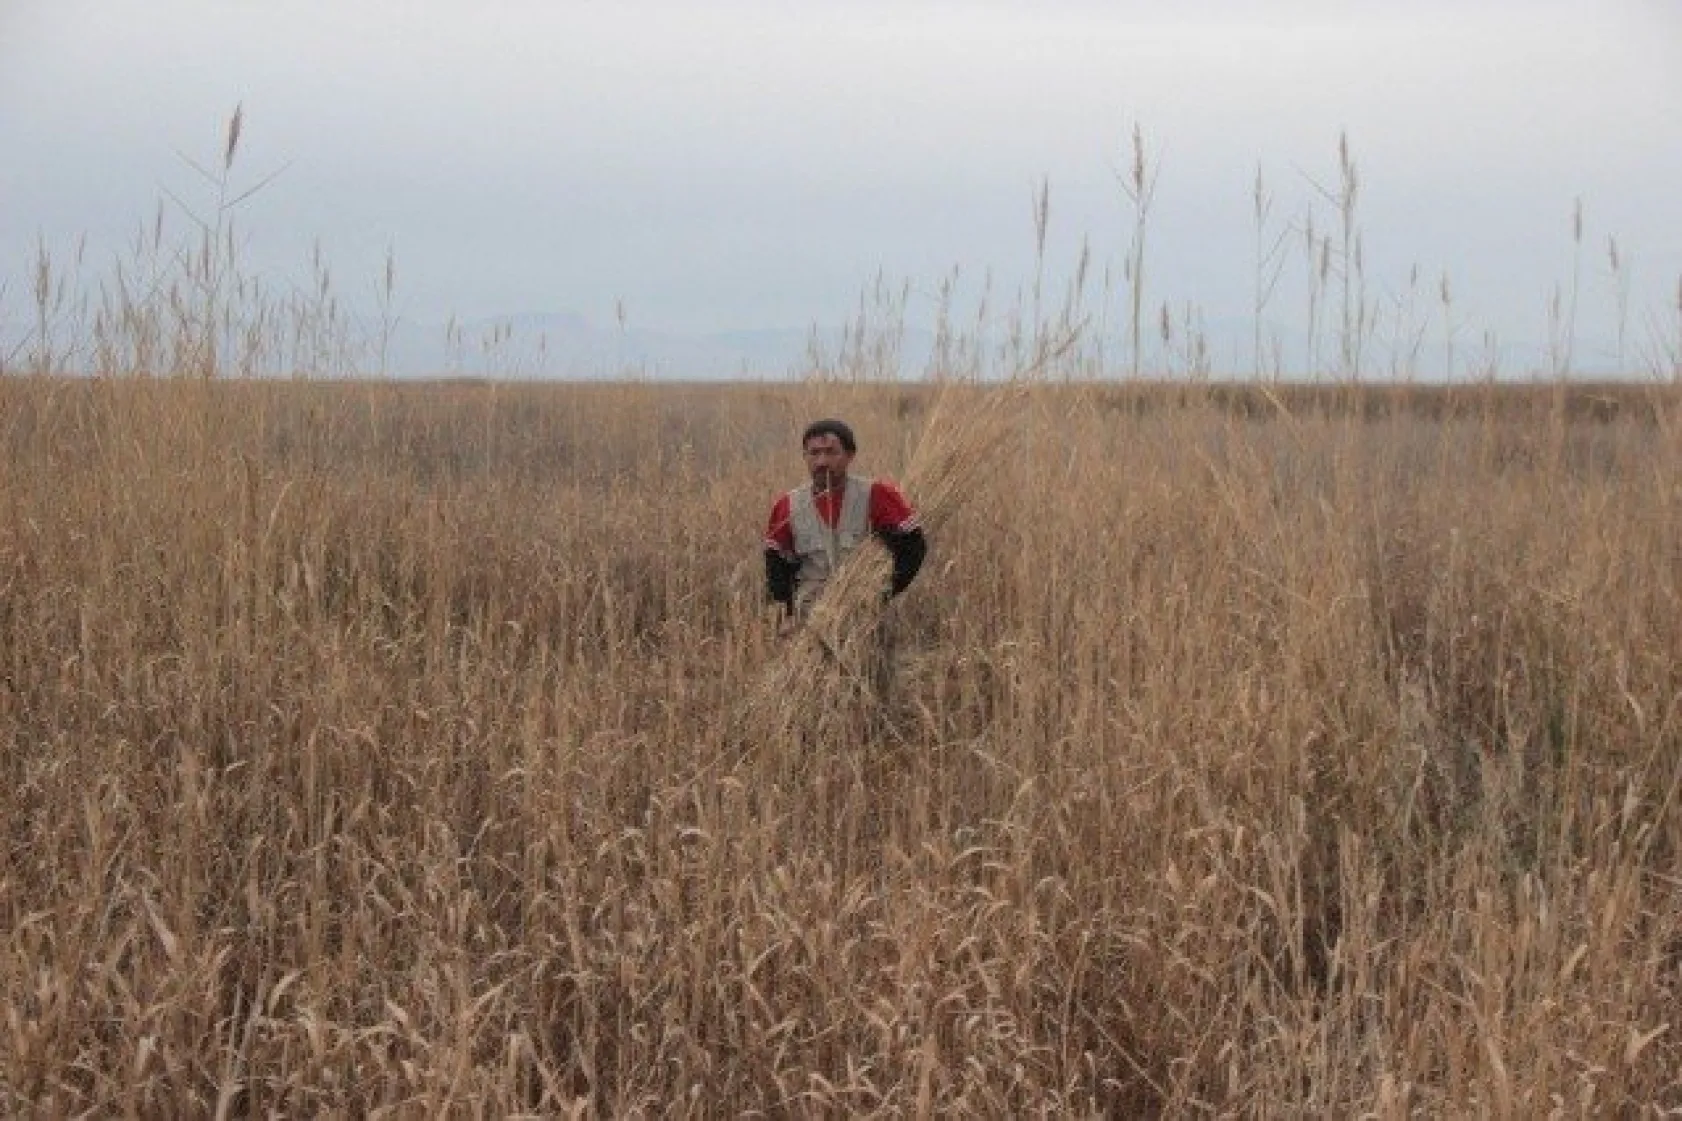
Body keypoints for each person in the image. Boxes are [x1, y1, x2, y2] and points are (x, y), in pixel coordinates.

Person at [763, 418, 927, 621]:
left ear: (850, 455)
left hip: (866, 620)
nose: (822, 461)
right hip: (809, 620)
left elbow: (912, 549)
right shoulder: (788, 505)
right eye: (814, 453)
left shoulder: (877, 495)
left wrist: (881, 594)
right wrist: (788, 617)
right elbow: (777, 570)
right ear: (805, 456)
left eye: (831, 452)